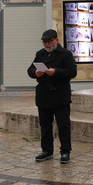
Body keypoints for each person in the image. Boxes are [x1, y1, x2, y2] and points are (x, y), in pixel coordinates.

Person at [28, 29, 78, 164]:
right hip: (44, 95)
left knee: (63, 125)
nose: (47, 44)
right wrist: (36, 73)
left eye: (50, 41)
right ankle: (47, 150)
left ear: (56, 40)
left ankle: (65, 151)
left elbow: (72, 72)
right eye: (45, 42)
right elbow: (30, 70)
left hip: (60, 95)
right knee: (45, 125)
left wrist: (55, 72)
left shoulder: (66, 54)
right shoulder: (40, 54)